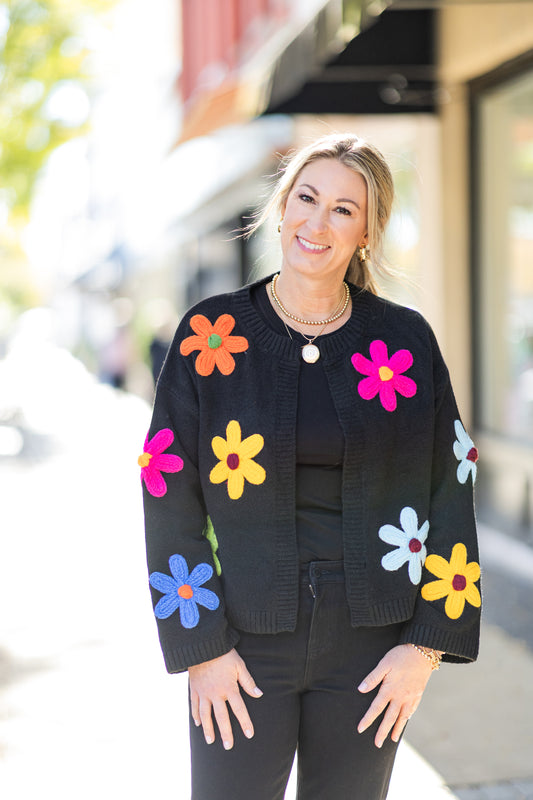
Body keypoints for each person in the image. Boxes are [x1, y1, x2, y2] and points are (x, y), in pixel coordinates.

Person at [140, 133, 481, 800]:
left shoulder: (403, 341)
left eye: (343, 210)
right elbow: (165, 486)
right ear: (281, 207)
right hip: (240, 645)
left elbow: (452, 480)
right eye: (306, 198)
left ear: (366, 234)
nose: (316, 223)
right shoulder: (211, 336)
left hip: (370, 648)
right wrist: (201, 647)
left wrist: (425, 647)